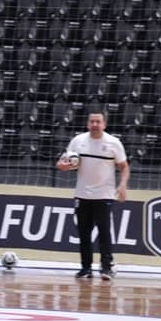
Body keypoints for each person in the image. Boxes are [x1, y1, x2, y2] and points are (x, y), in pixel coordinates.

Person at [55, 109, 129, 280]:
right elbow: (62, 161)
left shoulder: (113, 142)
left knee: (104, 232)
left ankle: (106, 268)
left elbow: (124, 166)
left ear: (105, 124)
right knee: (84, 233)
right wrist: (62, 166)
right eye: (92, 121)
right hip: (82, 195)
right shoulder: (78, 141)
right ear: (88, 123)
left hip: (104, 195)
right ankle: (85, 268)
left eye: (98, 121)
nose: (95, 124)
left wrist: (123, 185)